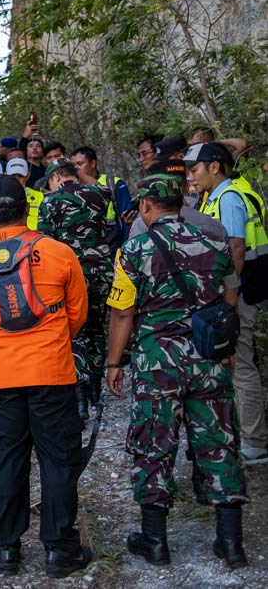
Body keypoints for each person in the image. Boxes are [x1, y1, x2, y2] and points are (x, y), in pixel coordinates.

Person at [106, 174, 248, 569]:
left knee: (154, 443)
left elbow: (122, 312)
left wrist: (115, 362)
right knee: (219, 443)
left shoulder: (133, 249)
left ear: (147, 206)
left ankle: (155, 542)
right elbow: (229, 293)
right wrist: (226, 345)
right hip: (208, 355)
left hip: (157, 362)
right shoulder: (215, 241)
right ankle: (231, 543)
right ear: (180, 205)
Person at [0, 175, 92, 579]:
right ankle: (59, 550)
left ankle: (5, 549)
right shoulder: (59, 252)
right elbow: (78, 314)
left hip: (3, 374)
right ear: (28, 208)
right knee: (57, 459)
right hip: (52, 369)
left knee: (7, 458)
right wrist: (49, 340)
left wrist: (6, 344)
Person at [185, 142, 268, 464]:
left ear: (214, 167)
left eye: (194, 170)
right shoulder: (216, 197)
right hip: (234, 291)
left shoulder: (230, 198)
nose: (191, 177)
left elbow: (235, 248)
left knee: (241, 363)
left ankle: (255, 441)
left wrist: (225, 299)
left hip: (240, 293)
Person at [38, 158, 113, 423]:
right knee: (95, 328)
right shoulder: (100, 194)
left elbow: (44, 243)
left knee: (75, 331)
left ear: (56, 176)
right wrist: (81, 175)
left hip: (72, 275)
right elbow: (104, 189)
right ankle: (95, 386)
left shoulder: (49, 202)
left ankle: (79, 394)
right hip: (102, 273)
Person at [70, 146, 135, 246]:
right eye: (73, 165)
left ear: (92, 163)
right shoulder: (72, 189)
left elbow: (128, 219)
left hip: (114, 244)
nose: (76, 168)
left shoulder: (113, 183)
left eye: (80, 164)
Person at [4, 157, 43, 230]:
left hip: (34, 240)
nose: (16, 179)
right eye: (12, 175)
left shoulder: (39, 197)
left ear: (28, 176)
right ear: (5, 175)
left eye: (20, 176)